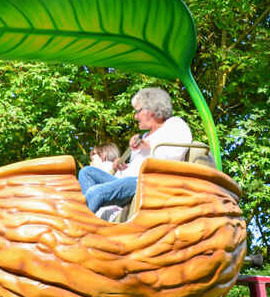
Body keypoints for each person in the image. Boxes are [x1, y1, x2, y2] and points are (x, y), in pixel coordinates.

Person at [78, 87, 192, 216]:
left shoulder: (175, 124)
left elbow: (173, 154)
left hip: (147, 182)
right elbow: (135, 167)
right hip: (130, 181)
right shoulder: (143, 136)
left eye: (138, 111)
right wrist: (123, 167)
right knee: (86, 172)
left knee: (95, 192)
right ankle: (92, 216)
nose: (135, 116)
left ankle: (78, 227)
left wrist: (146, 144)